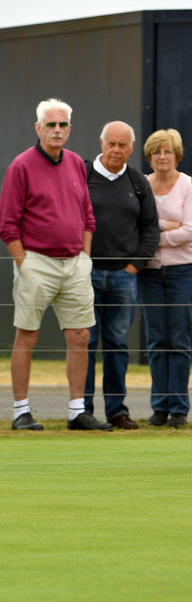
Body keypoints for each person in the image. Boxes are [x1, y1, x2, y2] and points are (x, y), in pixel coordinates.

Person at [0, 98, 110, 431]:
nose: (57, 130)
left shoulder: (77, 162)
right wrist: (25, 264)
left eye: (63, 124)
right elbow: (8, 224)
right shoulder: (21, 166)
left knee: (80, 336)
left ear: (70, 129)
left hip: (74, 263)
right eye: (51, 125)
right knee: (27, 336)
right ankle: (21, 411)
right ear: (38, 128)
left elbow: (87, 216)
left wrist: (85, 257)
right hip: (35, 262)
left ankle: (78, 411)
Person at [85, 120, 160, 430]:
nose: (116, 150)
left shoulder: (138, 182)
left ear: (131, 148)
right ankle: (82, 409)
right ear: (101, 143)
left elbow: (150, 229)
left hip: (124, 278)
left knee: (117, 344)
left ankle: (117, 410)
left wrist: (134, 267)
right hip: (85, 275)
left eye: (123, 145)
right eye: (111, 143)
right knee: (85, 342)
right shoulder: (83, 174)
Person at [138, 129, 192, 428]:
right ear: (149, 156)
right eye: (156, 151)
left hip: (183, 271)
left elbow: (190, 230)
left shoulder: (188, 184)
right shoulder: (141, 184)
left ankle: (179, 408)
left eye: (168, 151)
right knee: (155, 340)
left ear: (177, 154)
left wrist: (153, 233)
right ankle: (159, 407)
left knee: (178, 339)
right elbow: (137, 229)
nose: (162, 157)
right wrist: (165, 226)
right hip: (149, 273)